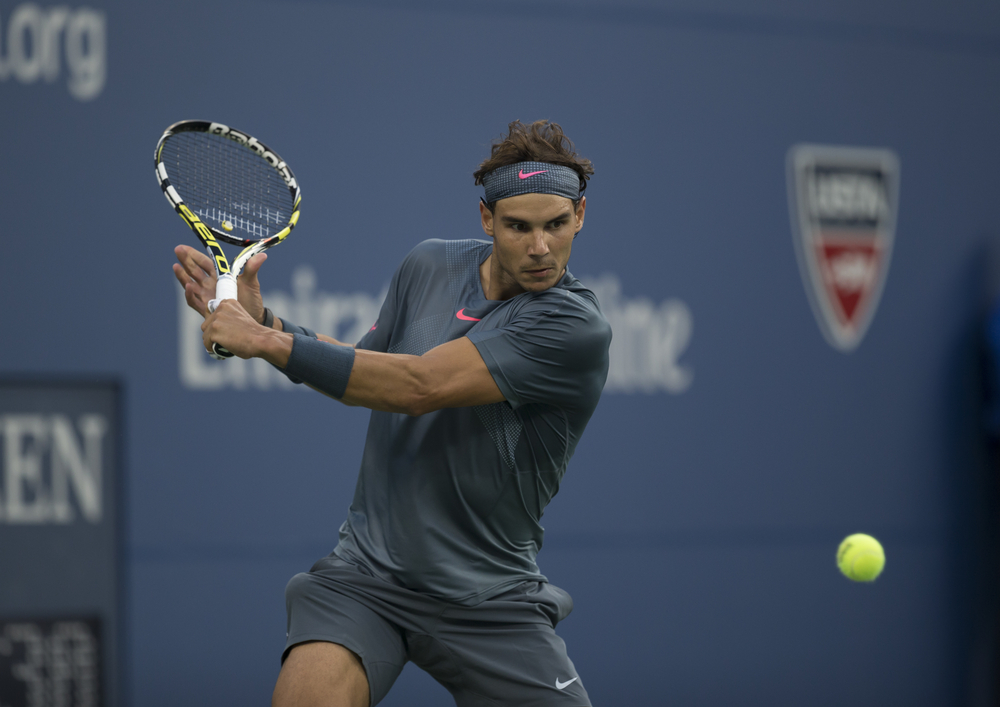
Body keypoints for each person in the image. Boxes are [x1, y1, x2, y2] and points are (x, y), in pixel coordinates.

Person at [172, 120, 611, 707]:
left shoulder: (573, 325)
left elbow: (417, 386)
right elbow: (367, 367)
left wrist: (263, 343)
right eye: (518, 227)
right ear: (487, 220)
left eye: (556, 225)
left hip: (489, 595)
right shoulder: (429, 265)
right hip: (368, 576)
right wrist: (270, 326)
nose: (539, 247)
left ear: (580, 214)